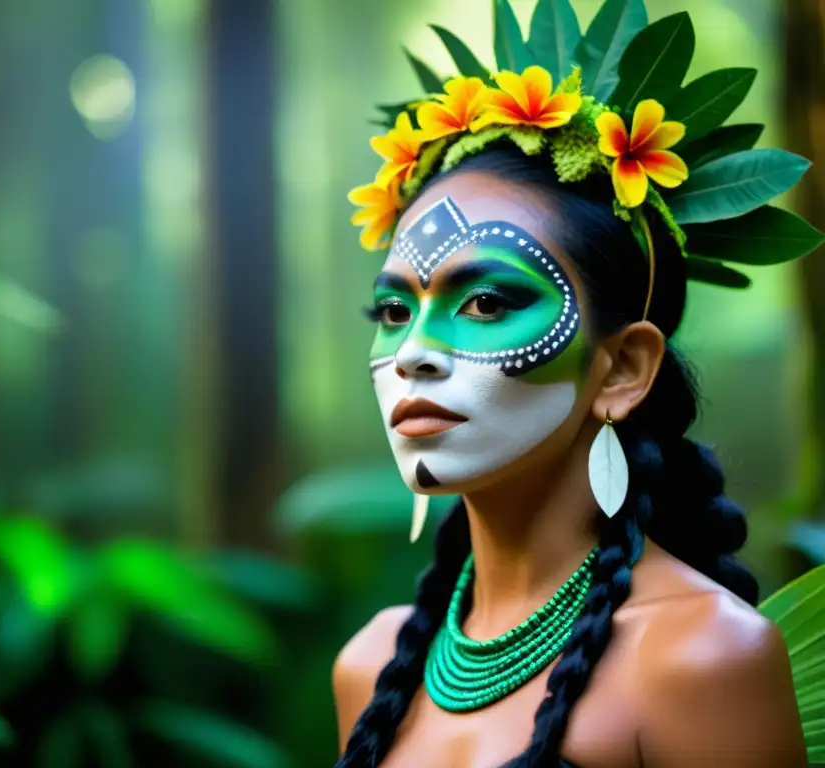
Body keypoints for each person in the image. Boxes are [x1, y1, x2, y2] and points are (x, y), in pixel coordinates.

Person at [336, 2, 825, 766]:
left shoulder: (701, 659)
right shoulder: (367, 667)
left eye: (488, 302)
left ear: (624, 369)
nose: (414, 353)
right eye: (394, 309)